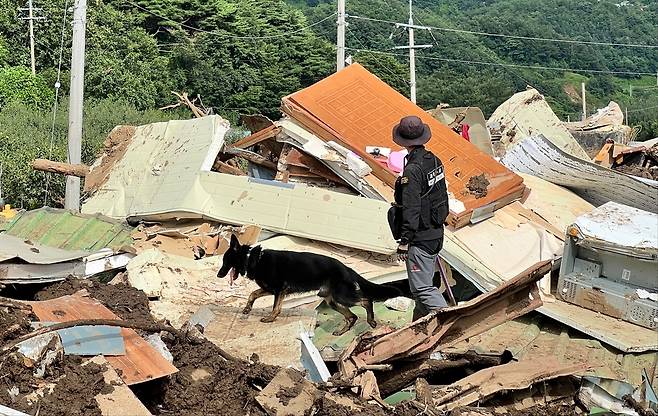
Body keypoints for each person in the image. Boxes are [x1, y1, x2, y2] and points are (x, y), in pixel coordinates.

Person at [391, 115, 450, 320]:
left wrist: (405, 241)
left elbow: (411, 208)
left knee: (424, 289)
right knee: (419, 289)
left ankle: (449, 323)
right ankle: (417, 331)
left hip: (421, 238)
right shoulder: (434, 160)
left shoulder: (412, 170)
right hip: (436, 232)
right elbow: (441, 194)